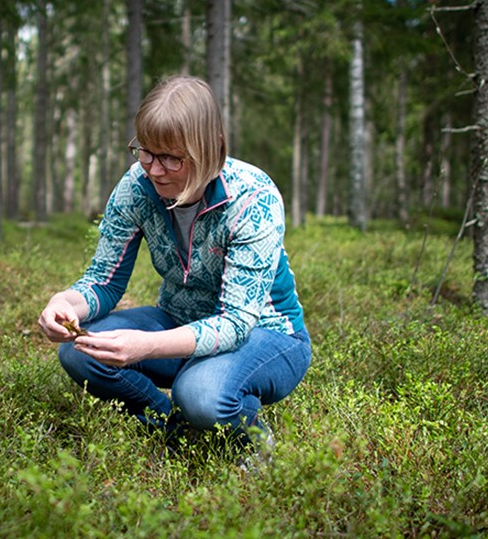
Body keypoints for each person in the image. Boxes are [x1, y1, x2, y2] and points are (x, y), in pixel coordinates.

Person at [38, 75, 311, 460]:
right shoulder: (137, 185)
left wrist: (146, 346)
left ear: (209, 152)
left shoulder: (254, 198)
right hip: (178, 321)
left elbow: (234, 324)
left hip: (266, 335)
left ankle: (252, 443)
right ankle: (173, 429)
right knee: (80, 352)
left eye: (171, 158)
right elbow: (104, 281)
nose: (154, 169)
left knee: (199, 392)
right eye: (145, 152)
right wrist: (63, 303)